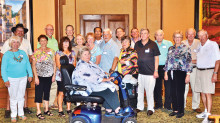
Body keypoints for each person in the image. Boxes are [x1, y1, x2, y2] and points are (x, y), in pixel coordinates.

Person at [71, 47, 128, 117]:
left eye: (88, 54)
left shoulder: (89, 63)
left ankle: (109, 110)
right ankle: (117, 110)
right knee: (108, 89)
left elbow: (98, 71)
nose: (88, 56)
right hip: (85, 88)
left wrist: (106, 75)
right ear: (80, 56)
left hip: (91, 84)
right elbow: (92, 77)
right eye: (85, 54)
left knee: (109, 85)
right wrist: (106, 79)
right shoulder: (82, 66)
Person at [0, 23, 33, 118]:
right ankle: (13, 115)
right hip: (11, 78)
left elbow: (27, 63)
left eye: (17, 42)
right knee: (13, 97)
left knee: (21, 96)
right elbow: (3, 68)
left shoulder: (22, 52)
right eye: (14, 42)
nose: (16, 44)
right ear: (11, 43)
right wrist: (5, 79)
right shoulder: (7, 54)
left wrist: (30, 74)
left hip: (23, 77)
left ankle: (21, 113)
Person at [164, 30, 192, 118]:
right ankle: (175, 109)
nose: (177, 39)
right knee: (172, 92)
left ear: (182, 38)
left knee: (180, 92)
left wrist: (188, 74)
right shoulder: (171, 49)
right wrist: (165, 72)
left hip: (181, 72)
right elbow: (167, 61)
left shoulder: (186, 48)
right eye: (176, 37)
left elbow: (189, 62)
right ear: (173, 38)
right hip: (171, 72)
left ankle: (181, 111)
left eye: (179, 37)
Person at [195, 29, 220, 122]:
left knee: (207, 93)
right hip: (199, 71)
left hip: (208, 71)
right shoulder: (199, 45)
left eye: (203, 35)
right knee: (202, 92)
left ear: (207, 35)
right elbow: (199, 59)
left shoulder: (213, 44)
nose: (201, 38)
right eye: (199, 36)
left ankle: (209, 116)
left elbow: (218, 60)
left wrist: (215, 73)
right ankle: (205, 111)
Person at [134, 28, 160, 116]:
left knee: (149, 91)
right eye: (141, 33)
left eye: (145, 33)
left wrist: (156, 71)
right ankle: (140, 107)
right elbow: (134, 57)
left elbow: (156, 58)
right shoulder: (137, 44)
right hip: (140, 72)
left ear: (148, 35)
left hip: (150, 73)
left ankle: (150, 108)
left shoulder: (153, 44)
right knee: (140, 91)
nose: (143, 35)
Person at [32, 35, 56, 120]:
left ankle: (46, 110)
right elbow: (33, 65)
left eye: (45, 40)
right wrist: (36, 77)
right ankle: (38, 111)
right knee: (38, 93)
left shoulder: (51, 51)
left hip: (49, 75)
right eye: (41, 40)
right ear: (39, 42)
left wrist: (54, 75)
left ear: (47, 41)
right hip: (39, 76)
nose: (43, 42)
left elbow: (54, 63)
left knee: (47, 92)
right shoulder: (36, 52)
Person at [37, 24, 59, 109]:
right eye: (49, 29)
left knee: (54, 85)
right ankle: (45, 104)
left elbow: (56, 53)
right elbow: (39, 53)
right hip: (44, 68)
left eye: (52, 29)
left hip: (53, 65)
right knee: (44, 86)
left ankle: (51, 103)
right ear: (45, 30)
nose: (50, 31)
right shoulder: (42, 40)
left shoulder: (55, 40)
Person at [55, 37, 76, 116]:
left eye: (67, 42)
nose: (66, 44)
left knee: (69, 92)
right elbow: (58, 65)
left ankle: (68, 108)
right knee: (61, 92)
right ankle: (60, 110)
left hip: (70, 75)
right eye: (64, 42)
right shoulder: (58, 53)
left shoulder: (72, 52)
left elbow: (74, 64)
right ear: (61, 43)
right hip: (60, 76)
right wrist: (65, 73)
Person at [182, 28, 201, 113]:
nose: (190, 36)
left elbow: (201, 57)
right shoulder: (182, 43)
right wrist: (193, 60)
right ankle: (182, 105)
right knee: (183, 88)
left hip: (195, 69)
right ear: (186, 35)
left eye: (192, 34)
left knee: (195, 88)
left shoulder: (199, 43)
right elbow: (181, 58)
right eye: (188, 34)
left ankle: (196, 106)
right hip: (184, 70)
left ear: (195, 34)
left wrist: (191, 60)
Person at [154, 29, 173, 110]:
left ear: (163, 35)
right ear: (155, 36)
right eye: (157, 35)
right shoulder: (152, 44)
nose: (159, 36)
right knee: (157, 87)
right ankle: (158, 104)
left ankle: (168, 105)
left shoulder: (169, 43)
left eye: (160, 35)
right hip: (156, 68)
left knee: (168, 87)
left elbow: (171, 56)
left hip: (166, 67)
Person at [118, 36, 138, 109]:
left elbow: (134, 62)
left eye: (126, 41)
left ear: (129, 43)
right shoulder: (121, 51)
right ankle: (123, 107)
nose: (124, 43)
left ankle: (133, 108)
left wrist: (124, 62)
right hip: (122, 75)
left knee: (131, 93)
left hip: (131, 74)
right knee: (122, 92)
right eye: (122, 42)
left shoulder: (132, 51)